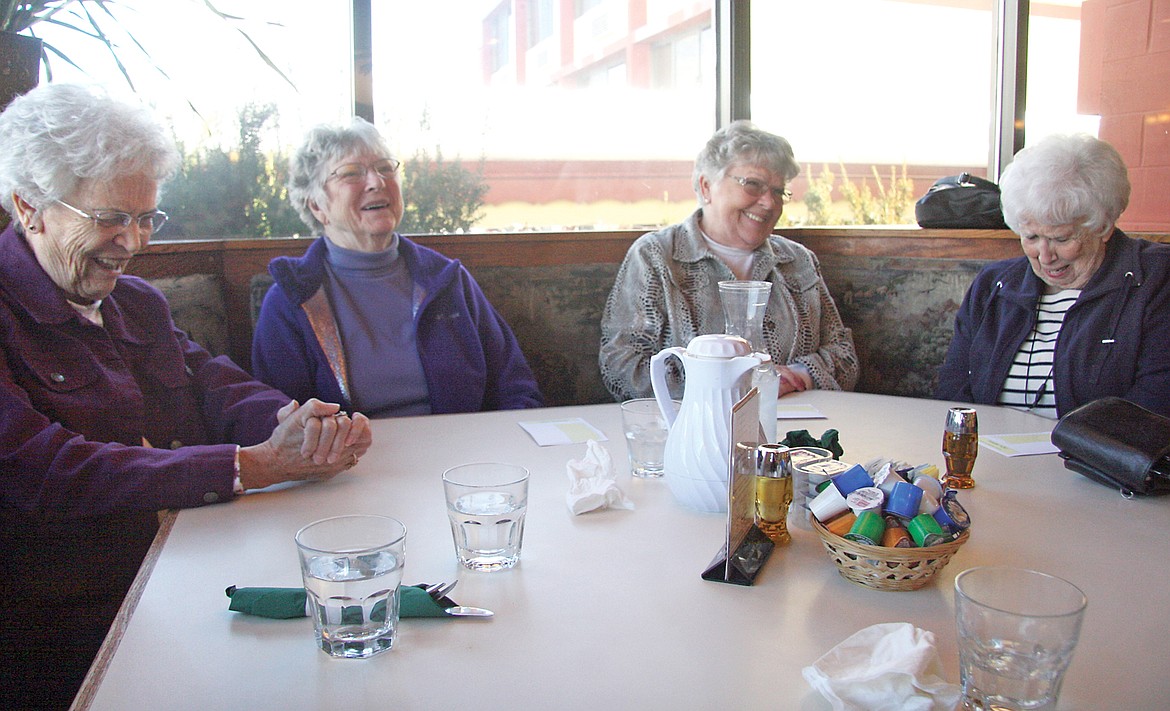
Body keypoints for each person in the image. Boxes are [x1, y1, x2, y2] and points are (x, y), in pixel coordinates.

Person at [0, 83, 372, 710]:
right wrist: (251, 466)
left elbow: (211, 381)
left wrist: (303, 424)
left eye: (145, 217)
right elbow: (40, 467)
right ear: (29, 206)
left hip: (191, 565)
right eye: (111, 218)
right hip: (65, 621)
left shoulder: (136, 302)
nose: (133, 242)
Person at [252, 118, 544, 417]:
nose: (377, 182)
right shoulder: (291, 300)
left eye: (385, 168)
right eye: (352, 173)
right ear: (317, 205)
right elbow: (282, 422)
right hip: (351, 460)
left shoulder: (447, 280)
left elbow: (517, 388)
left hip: (463, 455)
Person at [599, 120, 858, 401]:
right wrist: (732, 388)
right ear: (706, 186)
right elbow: (622, 366)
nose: (769, 203)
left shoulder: (798, 260)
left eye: (778, 191)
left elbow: (844, 355)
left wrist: (797, 375)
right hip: (695, 429)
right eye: (753, 185)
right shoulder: (656, 256)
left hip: (798, 426)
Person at [935, 133, 1170, 418]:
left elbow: (1157, 402)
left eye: (1061, 238)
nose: (1045, 256)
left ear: (1104, 226)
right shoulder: (993, 286)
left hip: (1099, 460)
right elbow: (953, 391)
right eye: (1031, 236)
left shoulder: (1155, 278)